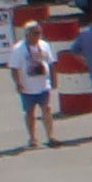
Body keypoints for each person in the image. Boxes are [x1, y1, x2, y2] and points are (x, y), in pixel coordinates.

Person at [9, 18, 57, 149]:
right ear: (27, 34)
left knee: (46, 109)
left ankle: (50, 136)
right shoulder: (18, 49)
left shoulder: (44, 45)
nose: (38, 36)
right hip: (27, 87)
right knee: (30, 112)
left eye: (39, 33)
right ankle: (32, 138)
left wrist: (53, 79)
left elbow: (50, 63)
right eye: (35, 33)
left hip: (43, 84)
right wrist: (18, 83)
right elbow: (14, 68)